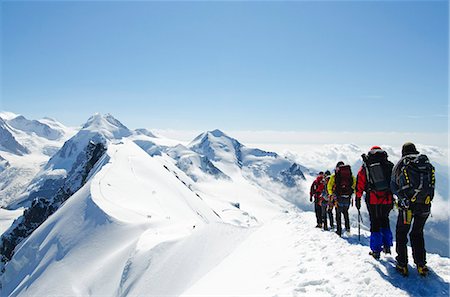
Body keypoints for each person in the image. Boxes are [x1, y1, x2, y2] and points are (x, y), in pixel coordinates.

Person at [391, 142, 435, 277]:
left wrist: (401, 197)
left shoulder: (402, 163)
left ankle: (402, 264)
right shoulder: (425, 164)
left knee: (402, 233)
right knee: (417, 233)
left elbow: (393, 185)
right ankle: (421, 264)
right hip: (425, 205)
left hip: (407, 207)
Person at [355, 146, 394, 259]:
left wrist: (358, 198)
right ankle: (387, 246)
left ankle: (376, 250)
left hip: (373, 199)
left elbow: (360, 183)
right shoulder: (389, 165)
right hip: (387, 198)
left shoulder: (366, 166)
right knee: (385, 220)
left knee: (375, 222)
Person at [327, 162, 356, 236]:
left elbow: (329, 186)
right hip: (347, 197)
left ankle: (339, 231)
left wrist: (331, 194)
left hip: (338, 197)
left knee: (338, 214)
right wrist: (351, 193)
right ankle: (347, 229)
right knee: (346, 213)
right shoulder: (350, 175)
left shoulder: (334, 176)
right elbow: (355, 184)